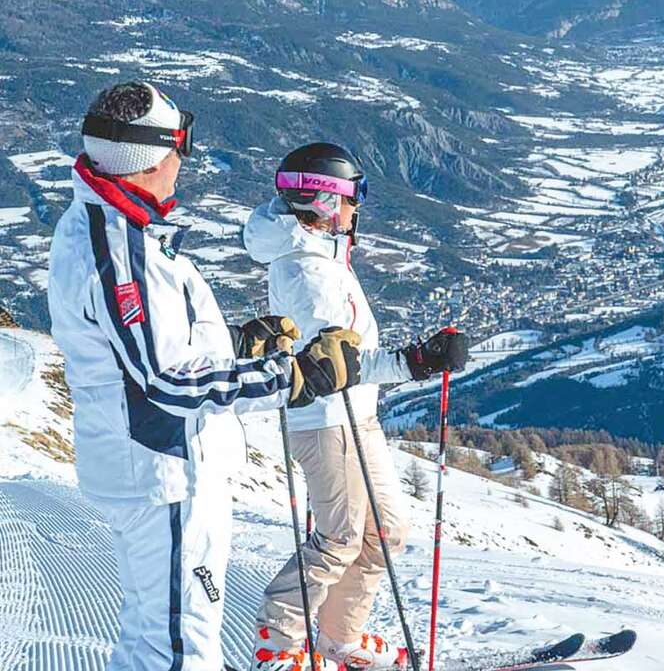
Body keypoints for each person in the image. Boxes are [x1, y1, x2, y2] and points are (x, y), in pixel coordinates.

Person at [48, 82, 361, 671]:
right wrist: (292, 377)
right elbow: (164, 381)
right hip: (164, 469)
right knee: (179, 649)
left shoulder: (118, 225)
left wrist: (240, 348)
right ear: (155, 155)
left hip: (160, 466)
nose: (182, 165)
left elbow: (151, 346)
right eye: (181, 147)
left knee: (155, 639)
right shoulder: (121, 250)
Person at [243, 143, 468, 671]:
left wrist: (417, 359)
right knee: (339, 537)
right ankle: (278, 647)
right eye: (351, 197)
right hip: (326, 420)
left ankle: (339, 639)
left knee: (384, 531)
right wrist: (415, 361)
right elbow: (336, 367)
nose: (356, 208)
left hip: (355, 416)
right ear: (324, 203)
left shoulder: (320, 252)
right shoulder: (308, 273)